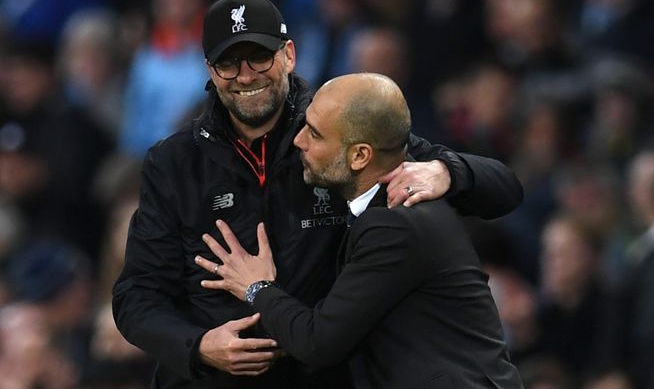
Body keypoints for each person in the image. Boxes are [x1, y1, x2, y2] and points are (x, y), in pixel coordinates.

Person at [112, 0, 524, 388]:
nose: (246, 75)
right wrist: (198, 347)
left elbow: (504, 191)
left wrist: (448, 170)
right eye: (228, 63)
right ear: (209, 69)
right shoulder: (173, 162)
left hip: (321, 374)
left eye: (259, 56)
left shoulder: (338, 130)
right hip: (210, 380)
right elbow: (137, 295)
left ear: (289, 54)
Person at [195, 73, 524, 388]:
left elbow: (318, 342)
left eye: (315, 134)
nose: (299, 141)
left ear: (360, 156)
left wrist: (256, 287)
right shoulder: (391, 189)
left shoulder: (392, 223)